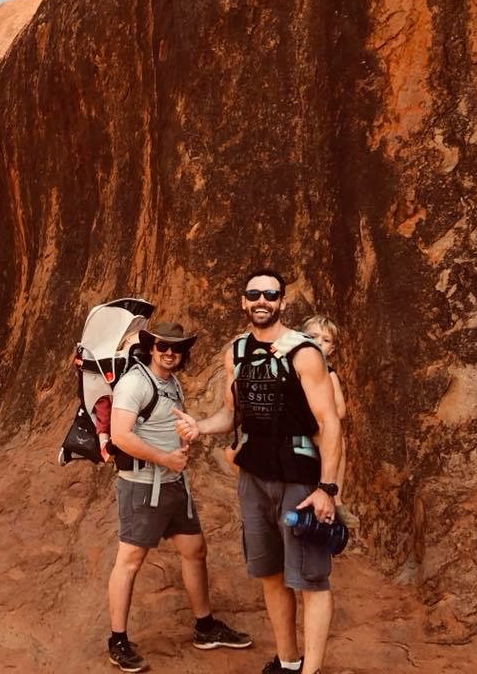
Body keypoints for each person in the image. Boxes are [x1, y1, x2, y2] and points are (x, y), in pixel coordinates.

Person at [176, 269, 342, 674]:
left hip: (300, 482)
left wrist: (328, 489)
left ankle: (312, 670)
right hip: (254, 479)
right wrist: (200, 426)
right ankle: (288, 661)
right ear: (244, 302)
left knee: (309, 578)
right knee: (269, 572)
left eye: (271, 294)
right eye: (254, 294)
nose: (262, 300)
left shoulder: (304, 353)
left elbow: (330, 422)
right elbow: (231, 413)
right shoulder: (235, 352)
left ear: (283, 302)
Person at [106, 321, 252, 672]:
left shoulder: (170, 383)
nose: (169, 354)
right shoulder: (135, 383)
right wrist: (165, 457)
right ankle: (118, 641)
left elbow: (161, 427)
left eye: (177, 349)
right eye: (162, 347)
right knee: (130, 561)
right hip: (143, 485)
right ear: (151, 348)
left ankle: (204, 627)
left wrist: (183, 441)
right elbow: (120, 436)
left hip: (173, 484)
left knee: (194, 550)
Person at [301, 315, 358, 528]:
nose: (318, 342)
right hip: (292, 425)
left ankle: (337, 497)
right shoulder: (294, 367)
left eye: (325, 340)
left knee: (338, 441)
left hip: (317, 425)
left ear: (331, 350)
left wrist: (321, 415)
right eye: (312, 336)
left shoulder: (329, 374)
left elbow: (340, 410)